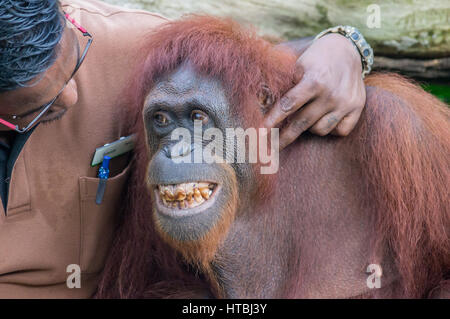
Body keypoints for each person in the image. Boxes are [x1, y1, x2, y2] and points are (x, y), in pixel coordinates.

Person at [0, 0, 369, 298]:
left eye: (72, 62)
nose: (72, 94)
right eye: (40, 109)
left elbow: (243, 73)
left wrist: (345, 44)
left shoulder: (124, 44)